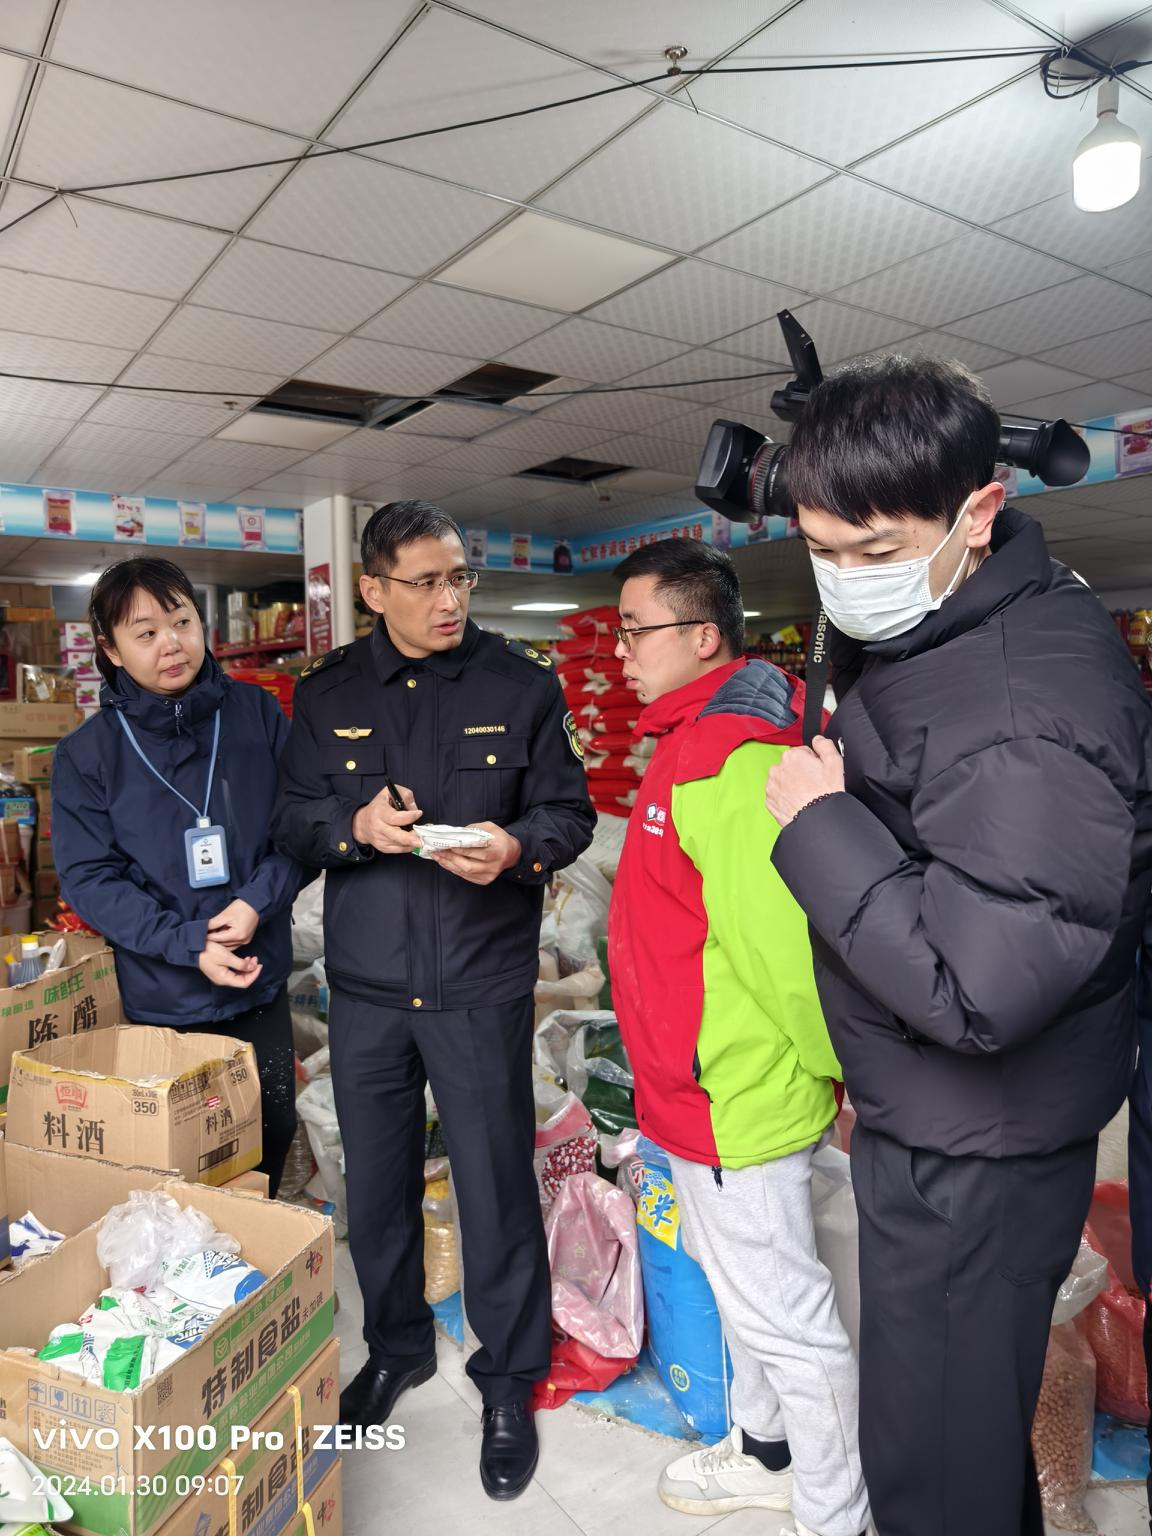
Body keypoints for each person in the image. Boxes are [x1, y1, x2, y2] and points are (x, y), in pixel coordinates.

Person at [763, 355, 1152, 1536]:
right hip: (948, 1120)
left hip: (978, 1149)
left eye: (875, 551)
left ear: (980, 510)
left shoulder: (1028, 709)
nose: (846, 580)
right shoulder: (954, 630)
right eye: (821, 551)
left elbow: (978, 988)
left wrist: (820, 826)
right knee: (959, 1446)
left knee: (934, 1472)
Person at [270, 500, 595, 1499]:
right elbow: (291, 818)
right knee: (376, 1188)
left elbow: (569, 812)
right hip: (369, 987)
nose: (450, 598)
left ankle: (509, 1376)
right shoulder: (327, 695)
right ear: (373, 589)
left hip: (478, 983)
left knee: (496, 1187)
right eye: (425, 581)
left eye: (460, 578)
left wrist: (518, 847)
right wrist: (353, 827)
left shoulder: (520, 685)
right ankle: (399, 1347)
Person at [608, 538, 869, 1536]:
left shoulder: (732, 758)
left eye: (637, 630)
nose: (623, 652)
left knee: (792, 1323)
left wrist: (843, 1077)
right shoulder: (691, 742)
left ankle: (834, 1512)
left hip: (734, 1098)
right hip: (694, 1092)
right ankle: (767, 1454)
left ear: (703, 636)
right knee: (743, 1294)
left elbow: (784, 954)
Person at [52, 557, 304, 1196]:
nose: (171, 643)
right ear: (111, 650)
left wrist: (254, 903)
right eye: (146, 633)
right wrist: (189, 942)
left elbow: (298, 829)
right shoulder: (87, 754)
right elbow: (90, 879)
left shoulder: (256, 714)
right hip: (161, 1000)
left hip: (258, 981)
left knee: (269, 1136)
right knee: (177, 1168)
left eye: (182, 622)